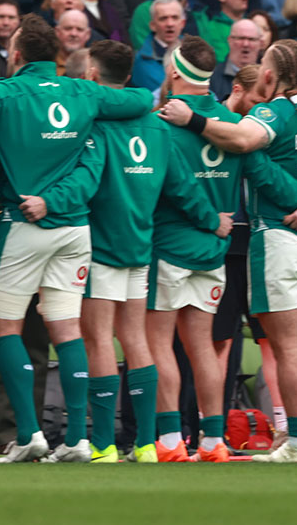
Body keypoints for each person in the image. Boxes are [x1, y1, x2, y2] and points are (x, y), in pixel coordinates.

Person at [0, 14, 152, 462]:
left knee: (4, 327)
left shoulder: (3, 94)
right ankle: (78, 440)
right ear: (56, 55)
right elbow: (138, 99)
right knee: (66, 329)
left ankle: (28, 435)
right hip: (75, 228)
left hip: (22, 224)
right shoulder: (83, 90)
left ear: (17, 55)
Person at [154, 36, 297, 462]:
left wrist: (207, 217)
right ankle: (212, 442)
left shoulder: (164, 122)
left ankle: (169, 442)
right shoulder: (231, 124)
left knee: (159, 346)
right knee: (204, 346)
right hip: (216, 251)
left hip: (172, 244)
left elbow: (173, 184)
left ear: (174, 73)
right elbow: (266, 175)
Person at [75, 40, 224, 464]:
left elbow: (87, 184)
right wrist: (213, 221)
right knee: (136, 340)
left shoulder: (99, 125)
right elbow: (183, 186)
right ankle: (146, 446)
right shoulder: (157, 126)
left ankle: (103, 444)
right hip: (141, 248)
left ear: (93, 73)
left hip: (103, 245)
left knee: (100, 339)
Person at [132, 0, 186, 94]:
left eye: (175, 17)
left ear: (182, 23)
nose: (170, 24)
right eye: (163, 18)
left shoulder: (194, 52)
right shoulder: (142, 60)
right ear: (152, 25)